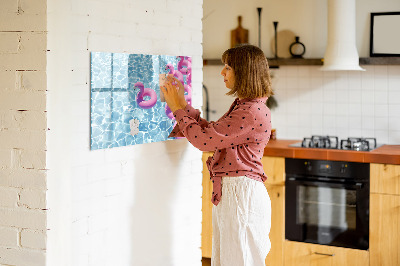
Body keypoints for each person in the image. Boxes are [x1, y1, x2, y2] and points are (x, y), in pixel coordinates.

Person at [161, 44, 273, 266]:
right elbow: (212, 133)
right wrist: (182, 104)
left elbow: (204, 141)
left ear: (244, 72)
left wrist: (177, 108)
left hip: (241, 195)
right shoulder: (246, 106)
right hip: (236, 193)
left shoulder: (250, 111)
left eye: (228, 67)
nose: (222, 72)